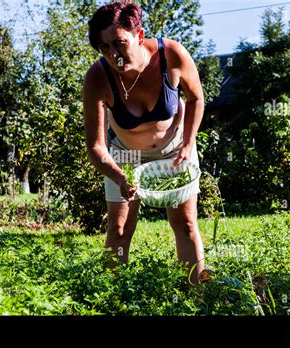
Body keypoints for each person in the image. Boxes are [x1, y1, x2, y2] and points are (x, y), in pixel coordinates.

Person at [83, 0, 206, 284]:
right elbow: (96, 146)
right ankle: (113, 297)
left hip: (175, 148)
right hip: (125, 155)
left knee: (186, 224)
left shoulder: (172, 55)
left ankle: (198, 296)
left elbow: (196, 98)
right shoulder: (97, 78)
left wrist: (188, 144)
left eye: (119, 43)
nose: (113, 54)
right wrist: (119, 176)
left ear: (139, 35)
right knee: (119, 228)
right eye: (104, 48)